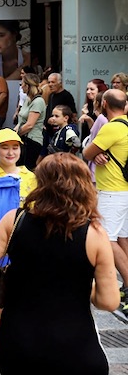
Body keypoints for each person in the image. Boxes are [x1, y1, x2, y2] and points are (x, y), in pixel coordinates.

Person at [0, 153, 119, 374]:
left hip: (17, 344)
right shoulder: (95, 234)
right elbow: (108, 302)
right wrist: (85, 285)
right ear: (84, 187)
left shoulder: (15, 220)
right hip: (75, 348)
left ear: (41, 184)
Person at [82, 89, 128, 312]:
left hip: (112, 191)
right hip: (125, 191)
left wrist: (95, 153)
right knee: (123, 237)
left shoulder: (112, 127)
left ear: (105, 104)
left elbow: (87, 153)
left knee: (107, 238)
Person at [0, 129, 36, 206]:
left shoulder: (31, 177)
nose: (10, 153)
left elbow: (34, 208)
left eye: (15, 148)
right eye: (5, 148)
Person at [14, 74, 46, 170]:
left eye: (22, 84)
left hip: (32, 140)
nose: (21, 86)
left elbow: (29, 125)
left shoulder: (38, 101)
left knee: (28, 169)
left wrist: (15, 134)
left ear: (27, 86)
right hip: (23, 139)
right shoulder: (28, 99)